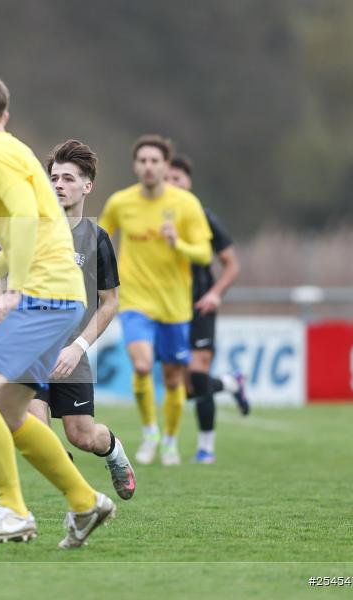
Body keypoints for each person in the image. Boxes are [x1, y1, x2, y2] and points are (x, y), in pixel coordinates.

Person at [0, 72, 115, 550]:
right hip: (61, 295)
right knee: (10, 409)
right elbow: (36, 228)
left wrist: (15, 290)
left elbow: (23, 219)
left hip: (43, 295)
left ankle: (13, 512)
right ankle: (85, 501)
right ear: (4, 114)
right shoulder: (13, 149)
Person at [26, 139, 135, 500]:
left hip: (71, 353)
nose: (58, 184)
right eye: (54, 177)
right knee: (35, 431)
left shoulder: (96, 240)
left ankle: (115, 453)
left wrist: (78, 347)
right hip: (30, 350)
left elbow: (110, 303)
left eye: (68, 178)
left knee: (83, 436)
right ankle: (78, 494)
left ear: (87, 186)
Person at [99, 135, 213, 466]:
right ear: (135, 166)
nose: (148, 166)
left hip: (174, 305)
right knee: (142, 365)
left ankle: (171, 440)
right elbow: (98, 239)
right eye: (143, 161)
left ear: (166, 166)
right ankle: (150, 432)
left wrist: (179, 244)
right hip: (135, 299)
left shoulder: (186, 204)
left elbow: (204, 254)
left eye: (155, 161)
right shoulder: (120, 202)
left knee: (175, 379)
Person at [167, 154, 249, 464]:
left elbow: (232, 264)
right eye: (167, 179)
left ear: (188, 182)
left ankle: (206, 449)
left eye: (177, 178)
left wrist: (215, 294)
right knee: (184, 387)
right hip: (168, 307)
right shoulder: (155, 217)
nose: (172, 184)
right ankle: (230, 383)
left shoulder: (202, 216)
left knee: (199, 377)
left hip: (200, 305)